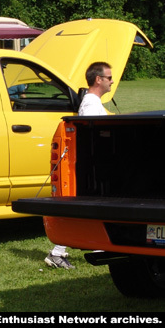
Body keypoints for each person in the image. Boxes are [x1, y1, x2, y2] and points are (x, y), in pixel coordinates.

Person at [44, 61, 113, 269]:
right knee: (83, 210)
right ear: (98, 79)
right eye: (109, 77)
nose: (112, 81)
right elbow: (91, 133)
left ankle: (100, 248)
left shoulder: (94, 102)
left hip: (93, 165)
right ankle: (57, 252)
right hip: (91, 166)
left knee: (94, 209)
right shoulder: (91, 104)